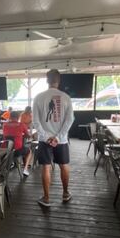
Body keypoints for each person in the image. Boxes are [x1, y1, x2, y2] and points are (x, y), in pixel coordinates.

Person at [32, 69, 74, 207]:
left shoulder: (38, 97)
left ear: (46, 80)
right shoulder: (66, 97)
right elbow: (70, 120)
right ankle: (66, 193)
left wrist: (47, 137)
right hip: (61, 140)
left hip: (45, 140)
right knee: (64, 165)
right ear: (59, 80)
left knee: (46, 167)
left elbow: (36, 122)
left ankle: (46, 198)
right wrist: (59, 137)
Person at [3, 111, 33, 177]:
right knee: (29, 151)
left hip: (5, 151)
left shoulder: (5, 124)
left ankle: (14, 164)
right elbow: (28, 136)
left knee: (23, 148)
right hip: (17, 151)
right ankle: (25, 169)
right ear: (18, 117)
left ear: (10, 117)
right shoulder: (21, 125)